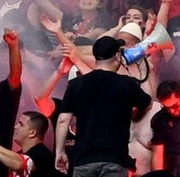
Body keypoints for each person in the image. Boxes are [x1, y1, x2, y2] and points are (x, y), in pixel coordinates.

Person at [55, 36, 151, 176]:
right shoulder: (126, 84)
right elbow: (147, 103)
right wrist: (143, 70)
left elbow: (63, 119)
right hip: (114, 161)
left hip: (83, 161)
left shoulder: (77, 84)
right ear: (117, 56)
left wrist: (60, 151)